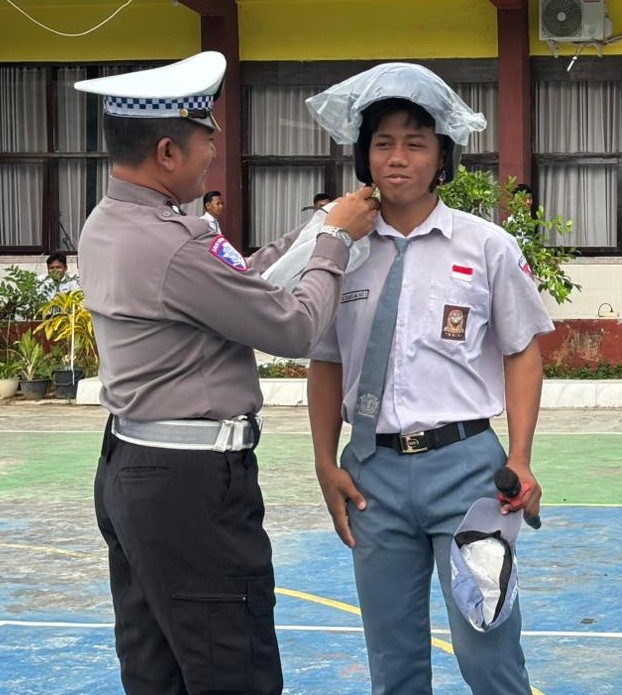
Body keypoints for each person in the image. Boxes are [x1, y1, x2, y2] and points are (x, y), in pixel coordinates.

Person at [73, 51, 378, 694]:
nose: (214, 152)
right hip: (191, 490)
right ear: (166, 152)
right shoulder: (172, 242)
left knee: (158, 667)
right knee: (231, 665)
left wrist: (315, 230)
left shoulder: (112, 223)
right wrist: (337, 244)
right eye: (205, 139)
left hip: (136, 469)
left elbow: (237, 279)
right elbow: (295, 328)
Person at [305, 62, 552, 693]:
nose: (397, 158)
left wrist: (520, 458)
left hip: (469, 471)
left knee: (488, 651)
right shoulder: (342, 252)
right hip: (372, 476)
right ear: (364, 155)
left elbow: (523, 351)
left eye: (416, 143)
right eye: (383, 143)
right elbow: (326, 359)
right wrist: (324, 461)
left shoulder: (487, 246)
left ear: (442, 156)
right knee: (394, 661)